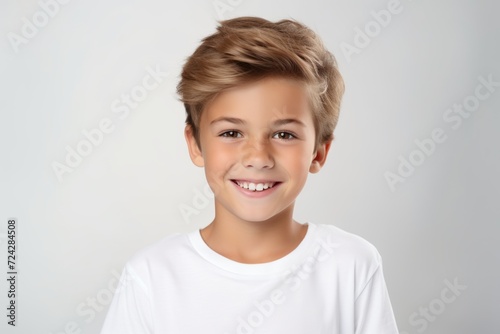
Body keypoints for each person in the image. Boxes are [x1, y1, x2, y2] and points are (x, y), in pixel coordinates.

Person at [100, 16, 399, 333]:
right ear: (196, 144)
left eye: (284, 135)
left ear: (319, 152)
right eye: (231, 133)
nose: (258, 157)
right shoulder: (151, 276)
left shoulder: (350, 265)